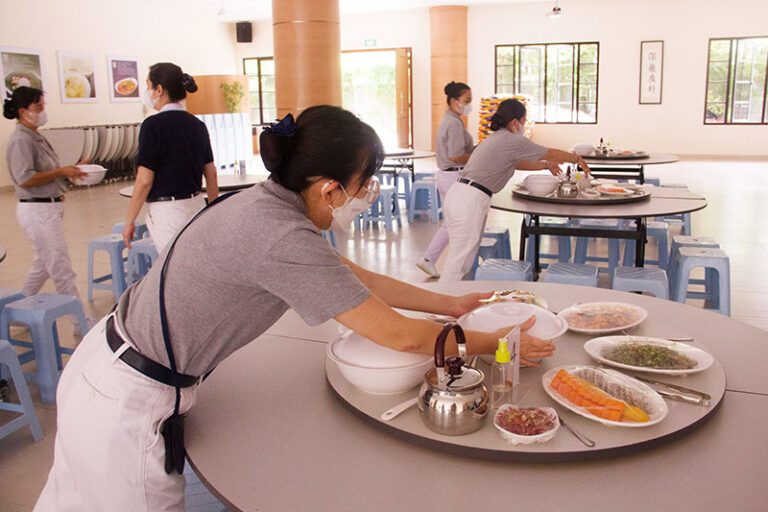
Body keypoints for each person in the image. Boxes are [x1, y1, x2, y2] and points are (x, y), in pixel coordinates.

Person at [34, 106, 556, 511]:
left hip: (106, 363)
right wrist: (500, 342)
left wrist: (450, 303)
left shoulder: (265, 203)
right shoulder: (280, 234)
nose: (367, 196)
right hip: (125, 401)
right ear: (329, 189)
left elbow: (348, 275)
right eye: (363, 185)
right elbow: (402, 338)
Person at [439, 98, 592, 281]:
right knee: (459, 261)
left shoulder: (497, 138)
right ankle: (443, 296)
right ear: (514, 122)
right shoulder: (511, 139)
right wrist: (577, 158)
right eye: (523, 121)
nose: (524, 125)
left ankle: (452, 295)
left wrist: (546, 165)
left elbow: (517, 163)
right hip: (470, 199)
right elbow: (549, 152)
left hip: (462, 194)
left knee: (462, 258)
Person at [3, 86, 92, 329]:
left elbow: (47, 173)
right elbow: (25, 178)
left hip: (48, 208)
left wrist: (69, 172)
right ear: (23, 111)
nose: (43, 111)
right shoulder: (21, 140)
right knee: (61, 268)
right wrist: (61, 171)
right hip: (37, 211)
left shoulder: (35, 136)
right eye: (38, 107)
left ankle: (14, 314)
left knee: (42, 266)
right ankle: (81, 323)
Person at [122, 62, 219, 252]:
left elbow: (144, 181)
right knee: (196, 261)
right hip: (196, 206)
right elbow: (211, 174)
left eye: (148, 85)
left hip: (167, 213)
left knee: (172, 264)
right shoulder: (197, 125)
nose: (147, 92)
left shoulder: (152, 126)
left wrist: (129, 221)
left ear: (159, 90)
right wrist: (213, 211)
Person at [416, 81, 475, 278]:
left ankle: (430, 259)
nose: (469, 105)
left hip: (447, 176)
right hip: (453, 176)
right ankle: (446, 265)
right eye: (466, 100)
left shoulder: (451, 119)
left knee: (451, 223)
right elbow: (456, 156)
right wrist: (479, 156)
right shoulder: (454, 123)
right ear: (454, 101)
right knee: (457, 224)